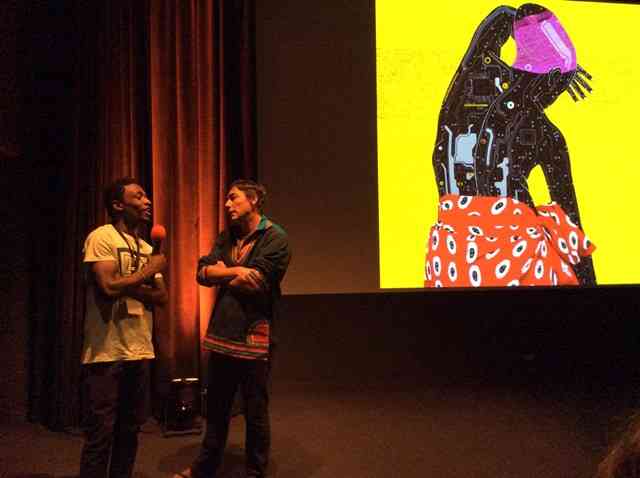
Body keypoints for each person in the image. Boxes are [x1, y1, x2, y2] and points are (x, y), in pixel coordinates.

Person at [426, 3, 596, 288]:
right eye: (560, 87)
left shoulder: (461, 99)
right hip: (517, 268)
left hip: (449, 262)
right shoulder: (546, 135)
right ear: (554, 79)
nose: (555, 97)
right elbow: (574, 233)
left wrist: (552, 54)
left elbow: (502, 15)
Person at [175, 179, 291, 478]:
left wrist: (220, 273)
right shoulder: (227, 236)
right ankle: (204, 469)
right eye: (227, 199)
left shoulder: (275, 237)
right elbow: (201, 272)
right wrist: (236, 270)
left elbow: (255, 283)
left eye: (233, 198)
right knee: (216, 408)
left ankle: (255, 472)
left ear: (253, 200)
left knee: (255, 410)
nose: (227, 204)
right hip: (222, 334)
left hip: (254, 334)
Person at [79, 177, 168, 478]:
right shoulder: (101, 237)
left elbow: (162, 297)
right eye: (139, 196)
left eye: (146, 196)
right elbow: (106, 287)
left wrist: (128, 284)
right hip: (106, 350)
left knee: (130, 430)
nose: (147, 201)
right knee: (100, 433)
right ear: (118, 205)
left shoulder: (145, 246)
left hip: (139, 349)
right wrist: (148, 271)